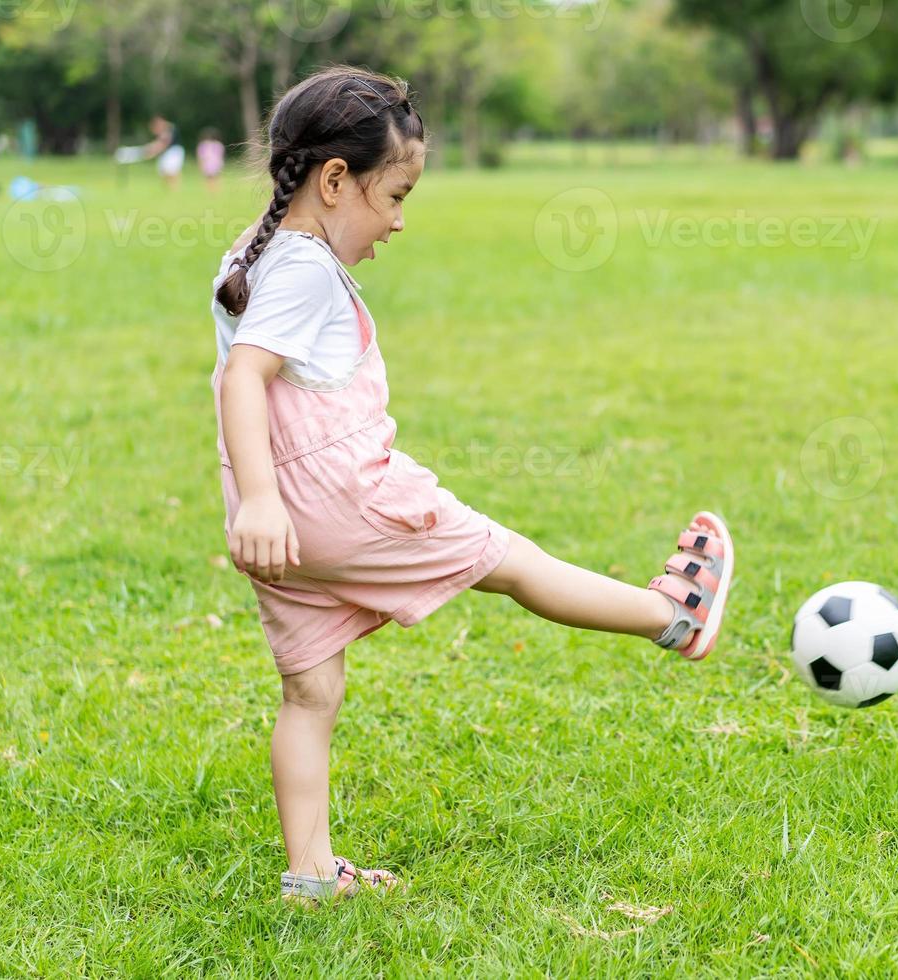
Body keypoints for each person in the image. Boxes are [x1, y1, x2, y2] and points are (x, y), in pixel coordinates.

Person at [210, 66, 735, 906]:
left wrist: (263, 504)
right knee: (513, 562)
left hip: (279, 530)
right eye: (395, 195)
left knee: (310, 691)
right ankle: (671, 616)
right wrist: (272, 501)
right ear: (335, 179)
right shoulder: (304, 266)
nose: (400, 221)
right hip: (342, 498)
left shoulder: (254, 247)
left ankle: (309, 877)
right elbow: (245, 377)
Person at [141, 115, 184, 190]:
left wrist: (152, 152)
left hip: (173, 151)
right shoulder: (165, 129)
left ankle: (174, 188)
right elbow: (159, 143)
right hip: (167, 152)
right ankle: (168, 188)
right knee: (164, 171)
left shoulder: (169, 129)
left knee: (172, 171)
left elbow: (164, 143)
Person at [196, 127, 226, 193]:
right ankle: (217, 190)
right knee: (216, 177)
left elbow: (200, 156)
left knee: (208, 178)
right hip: (217, 163)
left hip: (208, 163)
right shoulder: (219, 145)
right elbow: (221, 155)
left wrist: (200, 164)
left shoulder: (203, 145)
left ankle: (210, 191)